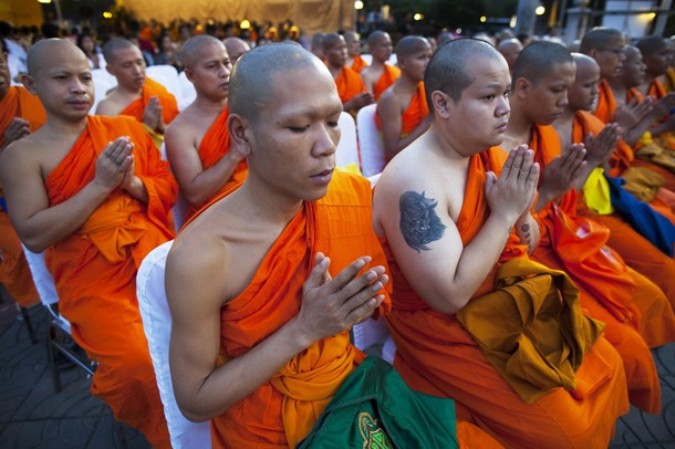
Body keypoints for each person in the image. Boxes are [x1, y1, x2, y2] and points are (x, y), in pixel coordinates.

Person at [373, 38, 629, 449]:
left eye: (506, 92)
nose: (505, 108)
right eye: (489, 96)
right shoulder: (414, 181)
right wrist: (507, 214)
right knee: (570, 434)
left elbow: (525, 243)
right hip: (444, 330)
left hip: (503, 300)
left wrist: (522, 214)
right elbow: (449, 295)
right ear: (442, 103)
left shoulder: (484, 152)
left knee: (608, 364)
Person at [165, 42, 394, 448]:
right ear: (241, 133)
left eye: (333, 121)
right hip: (271, 431)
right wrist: (304, 330)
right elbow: (195, 400)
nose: (327, 146)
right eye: (298, 127)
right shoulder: (203, 255)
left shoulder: (348, 195)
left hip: (353, 398)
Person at [0, 39, 176, 448]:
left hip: (154, 257)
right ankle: (172, 435)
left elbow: (166, 186)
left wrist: (130, 182)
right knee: (140, 365)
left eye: (84, 77)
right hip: (93, 280)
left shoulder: (125, 131)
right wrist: (100, 186)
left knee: (224, 326)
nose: (78, 87)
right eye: (62, 78)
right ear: (30, 83)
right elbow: (35, 232)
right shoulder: (21, 156)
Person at [501, 41, 670, 413]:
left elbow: (567, 202)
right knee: (624, 345)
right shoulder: (497, 146)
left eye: (568, 89)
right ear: (523, 87)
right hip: (529, 261)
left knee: (644, 299)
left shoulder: (542, 132)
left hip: (564, 236)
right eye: (558, 90)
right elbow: (508, 239)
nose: (565, 99)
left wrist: (589, 164)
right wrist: (549, 191)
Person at [164, 35, 247, 220]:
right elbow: (196, 194)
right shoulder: (180, 131)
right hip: (217, 218)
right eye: (212, 66)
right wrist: (235, 154)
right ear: (190, 75)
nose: (225, 72)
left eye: (227, 63)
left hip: (269, 203)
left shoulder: (248, 104)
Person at [0, 41, 44, 308]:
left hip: (55, 192)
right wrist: (6, 147)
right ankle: (43, 311)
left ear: (5, 59)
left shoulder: (33, 98)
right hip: (6, 209)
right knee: (22, 250)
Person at [96, 38, 179, 137]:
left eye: (140, 62)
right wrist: (147, 127)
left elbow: (182, 133)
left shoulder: (154, 89)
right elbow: (111, 149)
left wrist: (162, 126)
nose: (137, 71)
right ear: (110, 70)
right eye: (127, 65)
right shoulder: (107, 109)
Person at [376, 35, 432, 161]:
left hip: (427, 155)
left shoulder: (425, 88)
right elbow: (392, 151)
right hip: (402, 165)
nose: (428, 63)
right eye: (421, 58)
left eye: (429, 57)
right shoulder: (391, 99)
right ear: (402, 62)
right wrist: (428, 123)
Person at [323, 33, 373, 115]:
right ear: (325, 52)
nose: (344, 52)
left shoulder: (354, 77)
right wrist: (351, 104)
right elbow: (321, 113)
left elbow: (368, 106)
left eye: (345, 47)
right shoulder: (319, 77)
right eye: (338, 49)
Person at [360, 31, 400, 100]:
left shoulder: (395, 70)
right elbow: (368, 104)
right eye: (384, 45)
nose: (389, 49)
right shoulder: (367, 75)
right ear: (372, 49)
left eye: (390, 45)